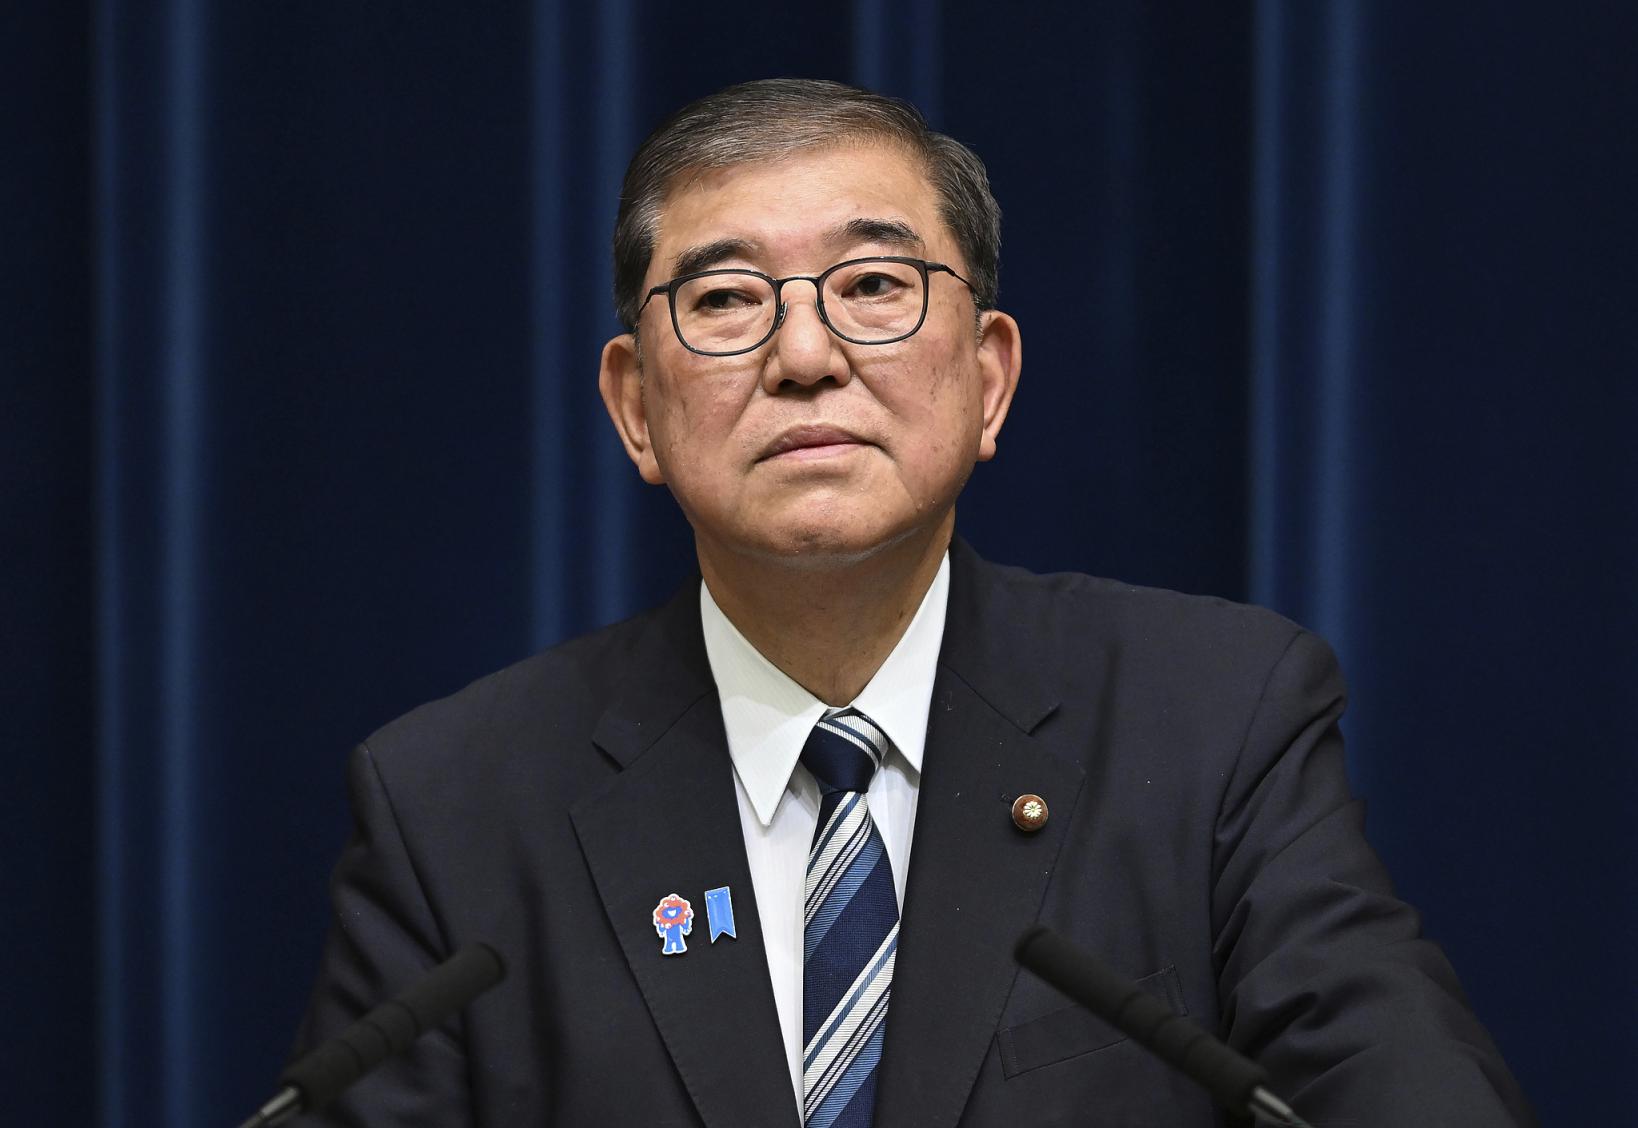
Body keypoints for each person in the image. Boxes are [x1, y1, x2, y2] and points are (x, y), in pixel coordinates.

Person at [290, 79, 1533, 1127]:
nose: (805, 355)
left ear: (988, 379)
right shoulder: (454, 808)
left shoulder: (1211, 721)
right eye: (725, 300)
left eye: (874, 285)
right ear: (635, 410)